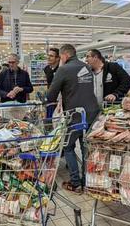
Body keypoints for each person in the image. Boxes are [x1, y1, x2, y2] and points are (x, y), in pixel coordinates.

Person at [47, 44, 99, 194]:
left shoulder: (63, 69)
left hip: (75, 115)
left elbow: (51, 95)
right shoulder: (87, 67)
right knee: (85, 148)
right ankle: (88, 181)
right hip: (92, 112)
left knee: (68, 146)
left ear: (64, 55)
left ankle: (76, 183)